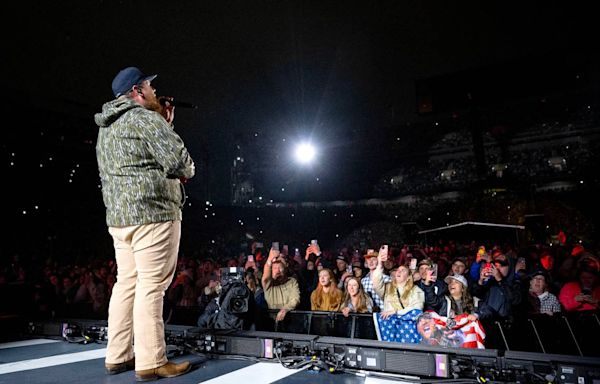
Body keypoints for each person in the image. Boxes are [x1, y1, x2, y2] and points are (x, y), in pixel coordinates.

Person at [95, 66, 195, 381]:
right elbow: (180, 164)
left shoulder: (107, 127)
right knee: (152, 286)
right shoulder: (146, 119)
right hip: (154, 215)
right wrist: (165, 124)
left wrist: (160, 121)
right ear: (139, 91)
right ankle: (152, 361)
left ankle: (118, 355)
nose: (154, 92)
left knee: (127, 284)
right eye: (150, 88)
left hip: (120, 219)